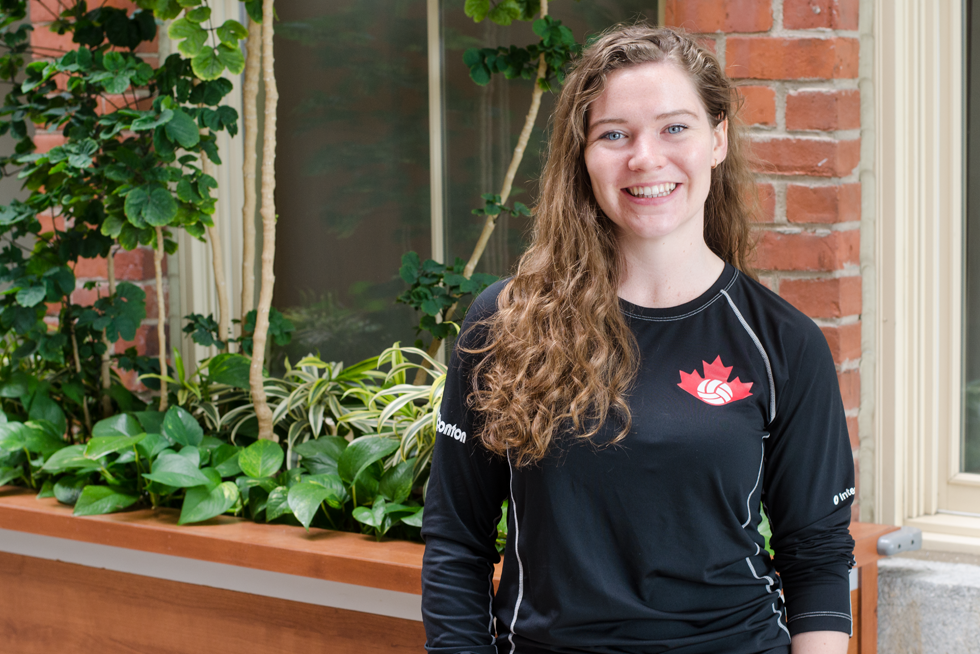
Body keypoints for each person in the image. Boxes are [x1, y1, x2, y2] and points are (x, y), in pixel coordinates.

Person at [420, 24, 855, 654]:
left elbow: (816, 556)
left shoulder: (783, 343)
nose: (645, 158)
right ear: (583, 154)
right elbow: (457, 541)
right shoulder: (507, 322)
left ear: (717, 139)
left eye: (675, 127)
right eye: (614, 134)